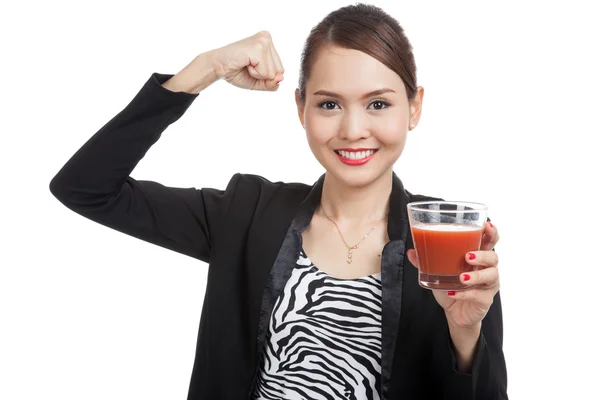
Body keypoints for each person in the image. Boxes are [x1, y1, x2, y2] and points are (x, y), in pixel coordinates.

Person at [49, 3, 507, 399]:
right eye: (329, 104)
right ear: (300, 108)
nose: (352, 130)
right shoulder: (246, 213)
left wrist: (465, 333)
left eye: (378, 104)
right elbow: (85, 186)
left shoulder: (446, 241)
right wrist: (203, 68)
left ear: (415, 107)